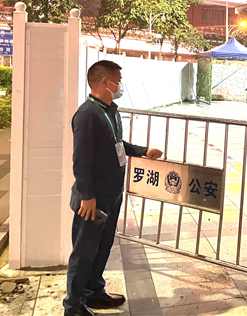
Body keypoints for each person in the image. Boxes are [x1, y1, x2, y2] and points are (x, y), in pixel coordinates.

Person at [63, 60, 162, 316]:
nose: (120, 85)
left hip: (110, 194)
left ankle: (94, 292)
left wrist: (142, 150)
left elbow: (117, 144)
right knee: (84, 252)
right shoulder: (88, 114)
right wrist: (87, 196)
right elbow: (81, 160)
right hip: (93, 199)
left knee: (102, 247)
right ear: (105, 82)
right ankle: (74, 306)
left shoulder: (110, 111)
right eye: (118, 80)